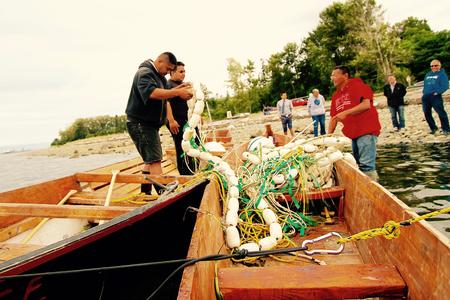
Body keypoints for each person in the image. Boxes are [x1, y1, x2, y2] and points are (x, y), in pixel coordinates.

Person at [125, 52, 193, 195]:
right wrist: (177, 93)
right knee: (155, 160)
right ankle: (164, 193)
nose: (168, 73)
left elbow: (164, 92)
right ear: (160, 61)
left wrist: (178, 89)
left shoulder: (158, 76)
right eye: (168, 69)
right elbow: (152, 93)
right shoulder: (145, 73)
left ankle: (145, 192)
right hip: (141, 124)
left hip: (147, 125)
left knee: (150, 160)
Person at [328, 65, 381, 181]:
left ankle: (372, 192)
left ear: (345, 75)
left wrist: (346, 112)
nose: (332, 78)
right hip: (354, 134)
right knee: (357, 164)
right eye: (331, 75)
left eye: (334, 75)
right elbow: (333, 118)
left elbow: (366, 104)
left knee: (366, 166)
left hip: (366, 130)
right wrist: (327, 138)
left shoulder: (358, 86)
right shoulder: (336, 96)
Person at [166, 62, 197, 175]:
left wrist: (197, 116)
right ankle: (185, 175)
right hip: (177, 122)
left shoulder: (183, 85)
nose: (183, 74)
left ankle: (194, 170)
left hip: (189, 121)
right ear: (172, 72)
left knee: (195, 144)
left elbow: (191, 101)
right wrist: (171, 120)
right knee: (182, 147)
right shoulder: (168, 85)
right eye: (180, 71)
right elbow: (165, 102)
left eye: (184, 71)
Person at [422, 59, 449, 135]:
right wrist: (424, 92)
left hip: (435, 96)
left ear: (439, 66)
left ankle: (446, 129)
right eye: (432, 66)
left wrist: (437, 92)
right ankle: (433, 128)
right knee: (426, 113)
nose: (434, 67)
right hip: (426, 97)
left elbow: (445, 86)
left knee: (441, 112)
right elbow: (425, 85)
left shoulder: (442, 74)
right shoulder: (428, 74)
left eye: (435, 65)